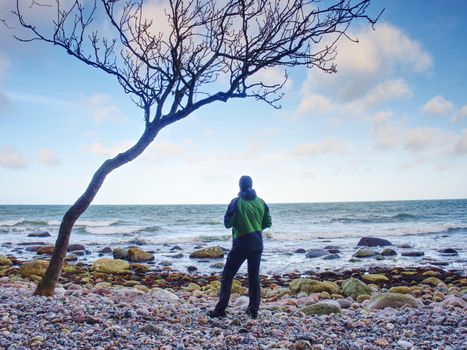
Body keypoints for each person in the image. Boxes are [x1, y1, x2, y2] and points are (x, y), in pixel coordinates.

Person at [208, 175, 272, 319]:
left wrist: (241, 223)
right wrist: (255, 227)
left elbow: (228, 223)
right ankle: (253, 310)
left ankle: (220, 309)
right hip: (257, 242)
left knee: (228, 275)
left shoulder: (236, 202)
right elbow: (268, 222)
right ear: (252, 185)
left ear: (239, 186)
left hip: (241, 243)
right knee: (254, 277)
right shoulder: (261, 202)